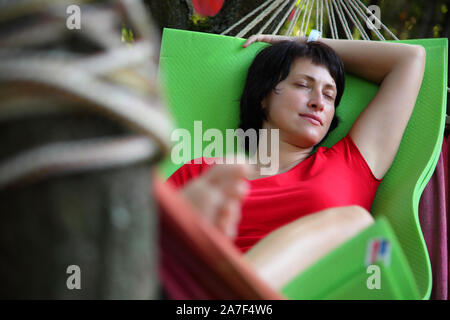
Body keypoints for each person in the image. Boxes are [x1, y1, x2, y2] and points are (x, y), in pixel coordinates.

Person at [166, 34, 426, 290]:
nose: (318, 103)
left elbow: (410, 59)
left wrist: (306, 42)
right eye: (303, 85)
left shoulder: (351, 164)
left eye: (329, 95)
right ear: (264, 95)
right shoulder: (206, 174)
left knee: (356, 221)